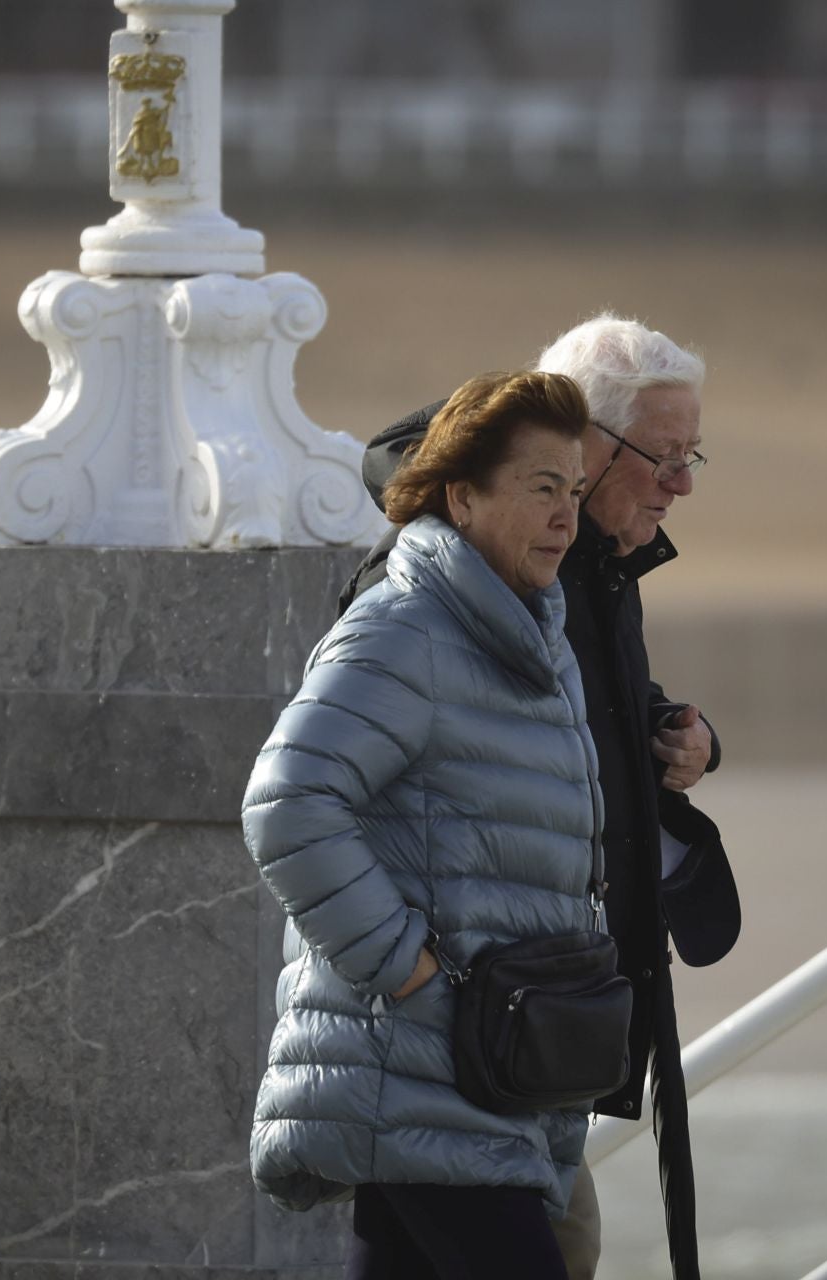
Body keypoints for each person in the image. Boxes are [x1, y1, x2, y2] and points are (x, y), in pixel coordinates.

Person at [339, 314, 739, 1280]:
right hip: (454, 1027)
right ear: (585, 446)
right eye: (665, 456)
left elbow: (583, 706)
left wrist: (682, 736)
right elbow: (294, 801)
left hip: (523, 1015)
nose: (683, 483)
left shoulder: (585, 570)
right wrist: (408, 969)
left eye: (695, 456)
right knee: (553, 1246)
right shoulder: (434, 594)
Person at [245, 369, 601, 1279]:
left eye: (574, 490)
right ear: (462, 495)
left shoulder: (526, 634)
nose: (566, 517)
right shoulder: (407, 627)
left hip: (484, 1071)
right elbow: (287, 803)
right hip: (422, 1067)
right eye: (541, 489)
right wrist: (407, 968)